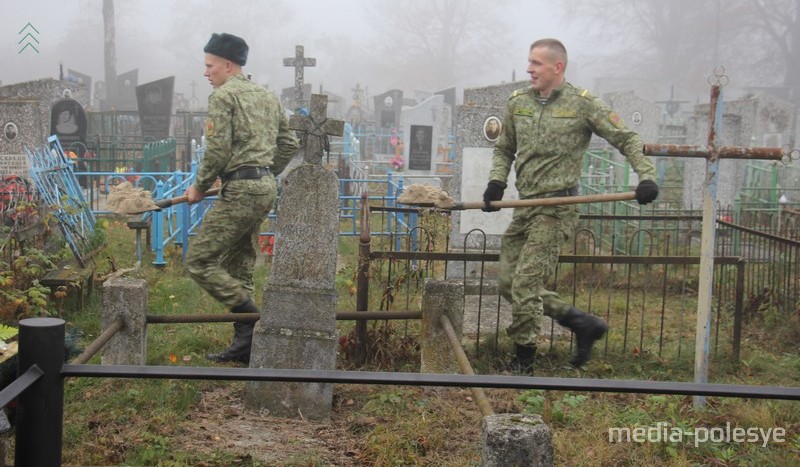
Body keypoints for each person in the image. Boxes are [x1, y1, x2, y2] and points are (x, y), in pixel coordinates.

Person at [483, 38, 659, 374]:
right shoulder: (518, 102)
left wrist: (646, 177)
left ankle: (523, 361)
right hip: (526, 204)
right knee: (507, 282)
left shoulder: (583, 104)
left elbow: (627, 138)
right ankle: (582, 323)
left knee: (525, 285)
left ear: (557, 67)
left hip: (558, 206)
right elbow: (504, 148)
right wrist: (496, 182)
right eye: (529, 62)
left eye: (536, 63)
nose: (529, 69)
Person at [185, 32, 299, 364]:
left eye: (210, 66)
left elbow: (217, 149)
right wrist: (261, 172)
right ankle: (246, 344)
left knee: (198, 260)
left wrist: (200, 185)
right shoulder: (266, 95)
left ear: (228, 65)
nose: (206, 73)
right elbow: (289, 143)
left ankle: (252, 316)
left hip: (242, 190)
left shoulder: (223, 96)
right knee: (239, 264)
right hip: (263, 187)